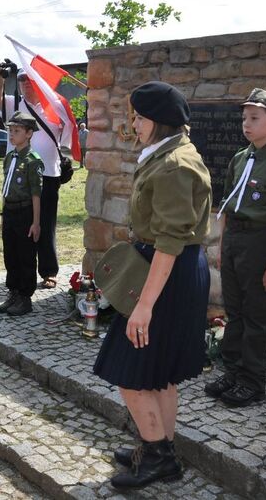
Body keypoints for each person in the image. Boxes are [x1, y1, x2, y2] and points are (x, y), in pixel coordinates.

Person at [92, 81, 211, 490]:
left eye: (139, 118)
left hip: (166, 272)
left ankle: (159, 456)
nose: (134, 125)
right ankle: (160, 446)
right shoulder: (167, 153)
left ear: (159, 121)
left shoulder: (174, 164)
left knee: (129, 370)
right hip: (167, 268)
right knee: (160, 373)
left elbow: (170, 241)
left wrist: (144, 305)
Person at [206, 89, 266, 408]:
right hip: (235, 240)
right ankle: (233, 372)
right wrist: (223, 246)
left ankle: (252, 382)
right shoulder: (239, 158)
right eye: (245, 118)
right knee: (234, 312)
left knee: (257, 316)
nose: (246, 124)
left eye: (254, 118)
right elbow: (228, 206)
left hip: (262, 242)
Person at [0, 68, 67, 290]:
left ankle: (48, 270)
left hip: (48, 173)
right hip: (18, 174)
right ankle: (21, 275)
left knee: (45, 224)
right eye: (21, 80)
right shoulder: (14, 103)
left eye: (29, 80)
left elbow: (68, 130)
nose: (24, 83)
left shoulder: (55, 106)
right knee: (20, 226)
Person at [0, 109, 43, 316]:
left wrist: (36, 222)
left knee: (25, 255)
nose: (12, 134)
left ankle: (25, 296)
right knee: (11, 254)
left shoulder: (33, 160)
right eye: (11, 131)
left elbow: (36, 194)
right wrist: (3, 214)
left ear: (29, 133)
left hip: (25, 212)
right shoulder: (9, 157)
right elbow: (6, 188)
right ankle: (13, 292)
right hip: (10, 211)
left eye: (17, 131)